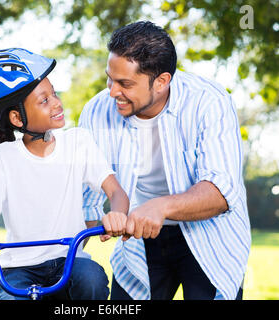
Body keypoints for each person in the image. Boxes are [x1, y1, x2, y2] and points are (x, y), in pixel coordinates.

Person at [0, 48, 129, 300]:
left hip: (69, 260)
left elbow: (116, 192)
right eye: (44, 100)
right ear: (17, 117)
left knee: (91, 279)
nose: (57, 103)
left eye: (54, 94)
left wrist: (118, 215)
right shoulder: (3, 158)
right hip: (19, 268)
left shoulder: (78, 142)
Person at [79, 21, 251, 300]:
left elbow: (222, 191)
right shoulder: (96, 111)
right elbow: (85, 197)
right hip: (138, 242)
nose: (112, 92)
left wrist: (161, 207)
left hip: (209, 238)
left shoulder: (210, 102)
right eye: (110, 79)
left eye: (125, 84)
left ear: (161, 82)